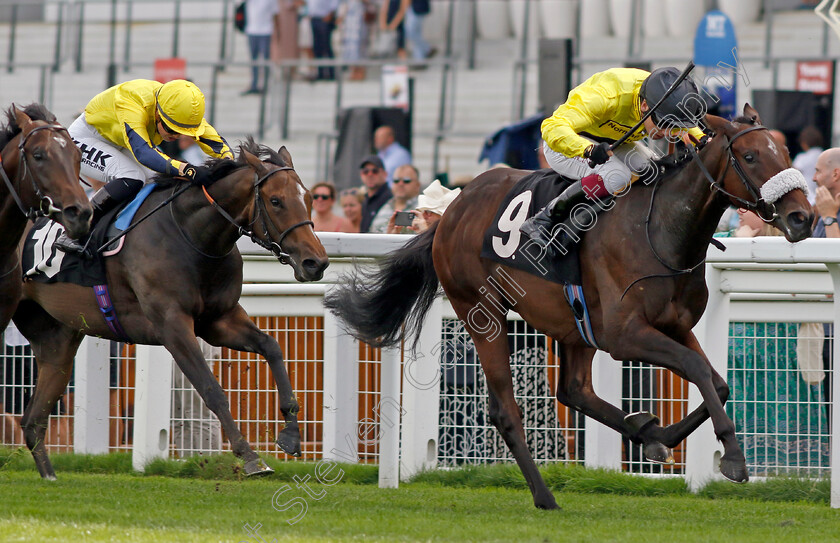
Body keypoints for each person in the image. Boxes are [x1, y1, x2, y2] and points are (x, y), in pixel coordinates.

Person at [519, 67, 706, 253]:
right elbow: (552, 127)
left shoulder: (660, 98)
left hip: (611, 140)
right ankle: (544, 219)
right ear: (644, 106)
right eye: (664, 124)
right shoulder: (607, 95)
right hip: (567, 142)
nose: (667, 134)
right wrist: (588, 149)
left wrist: (704, 138)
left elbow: (684, 124)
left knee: (654, 170)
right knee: (618, 175)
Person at [55, 79, 234, 255]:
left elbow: (218, 145)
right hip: (85, 139)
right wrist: (188, 170)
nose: (177, 137)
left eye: (183, 133)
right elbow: (144, 153)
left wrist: (230, 163)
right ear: (158, 113)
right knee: (133, 176)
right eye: (172, 130)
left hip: (119, 141)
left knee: (157, 179)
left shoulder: (179, 110)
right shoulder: (132, 103)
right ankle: (75, 231)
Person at [370, 164, 421, 233]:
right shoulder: (384, 207)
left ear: (417, 185)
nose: (400, 184)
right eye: (396, 181)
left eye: (406, 181)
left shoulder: (424, 209)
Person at [243, 0, 280, 95]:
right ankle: (254, 84)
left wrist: (277, 30)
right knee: (253, 60)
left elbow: (276, 14)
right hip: (252, 31)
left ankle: (266, 84)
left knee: (265, 59)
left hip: (265, 31)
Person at [338, 0, 373, 81]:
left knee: (360, 52)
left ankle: (360, 76)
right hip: (350, 27)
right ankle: (353, 74)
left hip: (361, 27)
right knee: (351, 51)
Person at [358, 155, 392, 232]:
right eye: (365, 171)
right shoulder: (363, 198)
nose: (370, 174)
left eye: (375, 171)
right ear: (361, 175)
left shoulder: (390, 198)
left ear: (384, 174)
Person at [307, 0, 340, 81]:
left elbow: (334, 3)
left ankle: (331, 73)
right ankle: (321, 73)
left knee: (326, 47)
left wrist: (330, 15)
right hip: (314, 19)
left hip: (324, 19)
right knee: (317, 48)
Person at [793, 126, 825, 205]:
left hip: (808, 197)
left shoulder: (802, 157)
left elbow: (793, 174)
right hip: (823, 195)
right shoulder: (825, 155)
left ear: (804, 143)